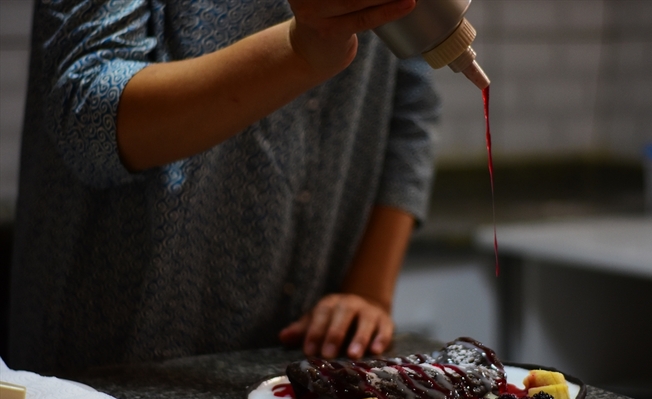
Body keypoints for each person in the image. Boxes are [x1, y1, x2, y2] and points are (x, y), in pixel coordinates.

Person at [7, 0, 440, 373]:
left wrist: (368, 291)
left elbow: (412, 96)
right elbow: (87, 118)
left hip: (302, 365)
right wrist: (299, 52)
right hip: (113, 372)